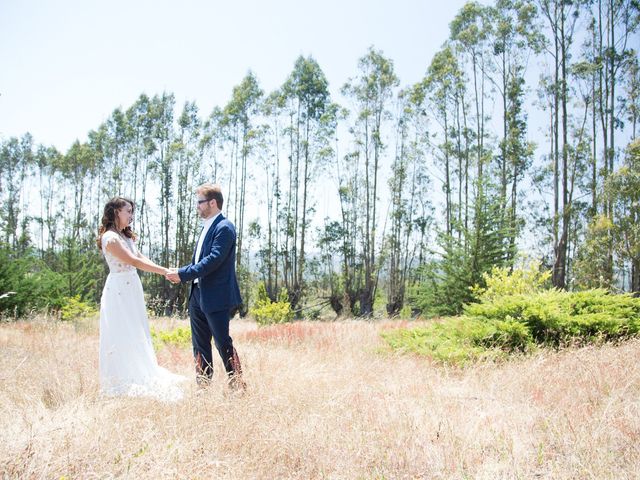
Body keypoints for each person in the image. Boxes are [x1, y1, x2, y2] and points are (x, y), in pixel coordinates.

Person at [97, 196, 185, 401]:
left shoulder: (125, 236)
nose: (131, 215)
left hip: (132, 286)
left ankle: (141, 369)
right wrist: (164, 272)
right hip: (118, 289)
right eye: (127, 211)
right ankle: (122, 377)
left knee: (137, 329)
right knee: (121, 331)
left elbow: (141, 257)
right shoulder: (110, 238)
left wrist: (165, 269)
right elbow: (133, 260)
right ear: (116, 212)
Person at [165, 183, 245, 391]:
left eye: (199, 202)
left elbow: (213, 260)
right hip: (197, 295)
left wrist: (182, 274)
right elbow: (200, 261)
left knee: (222, 343)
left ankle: (237, 385)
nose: (196, 207)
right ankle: (203, 388)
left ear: (212, 203)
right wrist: (182, 271)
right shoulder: (207, 227)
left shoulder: (224, 227)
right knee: (199, 346)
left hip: (216, 296)